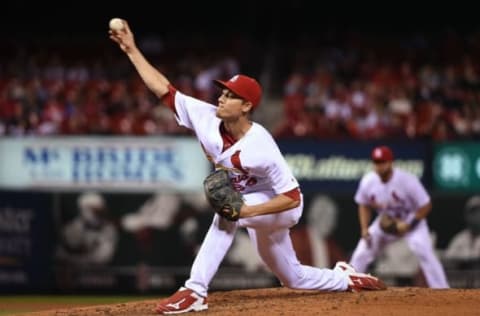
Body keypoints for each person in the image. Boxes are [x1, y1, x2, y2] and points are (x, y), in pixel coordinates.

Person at [109, 20, 386, 315]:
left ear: (246, 106)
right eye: (223, 92)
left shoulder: (261, 145)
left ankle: (194, 290)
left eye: (230, 95)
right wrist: (132, 50)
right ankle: (345, 277)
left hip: (281, 207)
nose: (221, 97)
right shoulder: (206, 118)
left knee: (226, 214)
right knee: (293, 277)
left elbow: (292, 197)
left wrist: (245, 212)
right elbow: (164, 90)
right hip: (254, 206)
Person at [349, 145, 449, 288]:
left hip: (411, 222)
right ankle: (348, 283)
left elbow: (426, 205)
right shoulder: (368, 181)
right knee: (363, 249)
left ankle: (442, 289)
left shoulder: (407, 180)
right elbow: (363, 205)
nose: (379, 166)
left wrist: (409, 224)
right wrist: (364, 229)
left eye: (382, 162)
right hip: (385, 222)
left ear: (390, 162)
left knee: (425, 251)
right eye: (376, 162)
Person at [56, 191, 118, 266]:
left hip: (100, 274)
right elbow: (62, 255)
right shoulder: (71, 228)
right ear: (84, 209)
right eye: (95, 211)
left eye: (101, 211)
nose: (100, 214)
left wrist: (73, 257)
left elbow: (102, 259)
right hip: (75, 274)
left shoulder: (109, 229)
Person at [444, 195, 480, 261]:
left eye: (479, 212)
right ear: (466, 216)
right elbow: (448, 259)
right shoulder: (459, 239)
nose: (477, 216)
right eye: (473, 212)